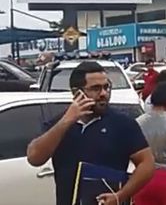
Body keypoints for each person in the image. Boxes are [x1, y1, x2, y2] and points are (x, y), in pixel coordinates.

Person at [26, 61, 155, 205]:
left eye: (107, 87)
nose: (103, 94)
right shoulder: (59, 124)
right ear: (77, 92)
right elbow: (34, 158)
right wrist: (66, 121)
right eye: (96, 88)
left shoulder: (122, 124)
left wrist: (121, 195)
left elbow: (147, 163)